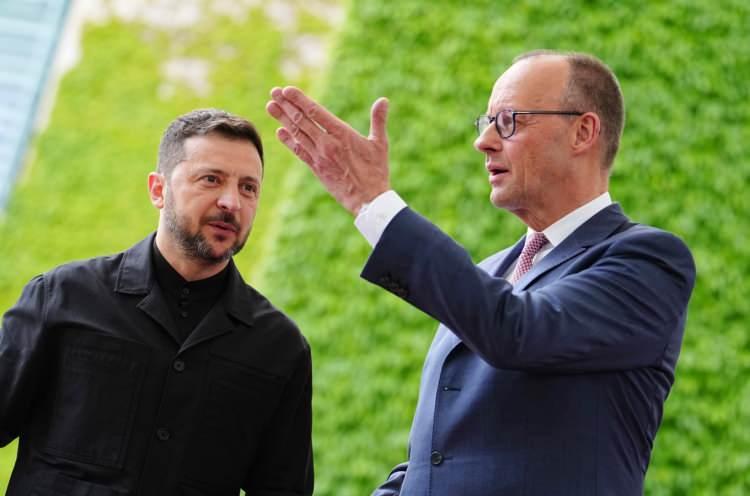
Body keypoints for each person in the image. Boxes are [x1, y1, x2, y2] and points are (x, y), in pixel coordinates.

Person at [266, 50, 696, 495]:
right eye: (486, 122)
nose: (484, 141)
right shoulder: (492, 271)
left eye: (509, 121)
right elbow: (437, 459)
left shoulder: (647, 261)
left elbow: (516, 331)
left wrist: (375, 206)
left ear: (582, 131)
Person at [0, 109, 313, 496]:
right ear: (158, 190)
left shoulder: (281, 349)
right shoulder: (62, 297)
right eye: (211, 179)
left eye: (249, 188)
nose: (232, 201)